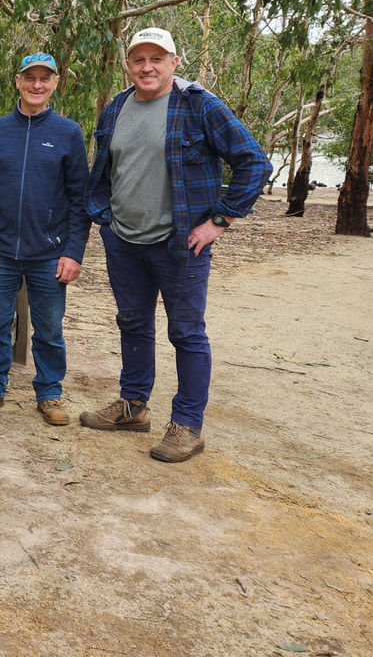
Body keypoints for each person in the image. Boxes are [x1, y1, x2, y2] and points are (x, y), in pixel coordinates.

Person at [80, 27, 272, 462]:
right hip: (124, 241)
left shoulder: (198, 105)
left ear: (174, 62)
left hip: (180, 244)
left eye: (157, 58)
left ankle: (187, 425)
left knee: (185, 333)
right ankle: (132, 406)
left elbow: (254, 162)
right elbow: (103, 173)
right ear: (127, 64)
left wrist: (218, 221)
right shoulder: (117, 107)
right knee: (132, 323)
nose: (147, 67)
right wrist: (104, 219)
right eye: (138, 59)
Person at [0, 53, 89, 426]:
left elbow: (79, 199)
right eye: (30, 77)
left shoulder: (68, 133)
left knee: (49, 328)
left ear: (54, 83)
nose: (37, 85)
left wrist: (73, 252)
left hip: (49, 254)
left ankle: (49, 392)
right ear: (18, 81)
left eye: (44, 78)